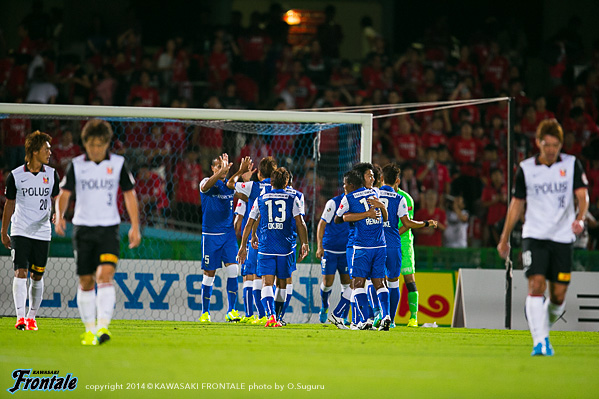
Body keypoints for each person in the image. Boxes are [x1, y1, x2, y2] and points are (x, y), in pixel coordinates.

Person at [497, 119, 589, 356]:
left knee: (558, 296)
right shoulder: (526, 169)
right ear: (538, 143)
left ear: (560, 144)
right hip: (534, 235)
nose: (551, 149)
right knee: (536, 285)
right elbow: (516, 205)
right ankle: (540, 342)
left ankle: (543, 332)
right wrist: (505, 237)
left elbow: (582, 196)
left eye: (555, 145)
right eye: (547, 144)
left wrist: (580, 218)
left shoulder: (571, 165)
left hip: (562, 237)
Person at [54, 119, 141, 345]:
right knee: (85, 281)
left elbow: (129, 194)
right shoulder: (77, 165)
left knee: (105, 275)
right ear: (85, 144)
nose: (95, 149)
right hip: (83, 229)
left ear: (107, 144)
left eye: (100, 145)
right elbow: (64, 194)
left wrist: (135, 226)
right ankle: (89, 330)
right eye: (91, 145)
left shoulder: (119, 164)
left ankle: (103, 328)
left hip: (108, 229)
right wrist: (60, 215)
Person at [237, 167, 309, 328]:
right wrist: (305, 243)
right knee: (283, 283)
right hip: (286, 247)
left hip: (266, 246)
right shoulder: (293, 198)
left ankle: (270, 316)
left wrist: (244, 245)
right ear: (286, 182)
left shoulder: (261, 198)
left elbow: (249, 223)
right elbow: (300, 223)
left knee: (267, 283)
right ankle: (278, 316)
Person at [2, 131, 60, 331]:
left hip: (43, 231)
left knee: (37, 276)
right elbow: (9, 205)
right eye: (46, 149)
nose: (50, 152)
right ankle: (20, 318)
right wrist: (4, 231)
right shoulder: (16, 176)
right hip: (20, 230)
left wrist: (57, 214)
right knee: (21, 271)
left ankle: (31, 317)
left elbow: (57, 198)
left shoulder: (52, 174)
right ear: (34, 151)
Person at [376, 163, 439, 329]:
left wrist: (389, 232)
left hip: (402, 242)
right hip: (387, 240)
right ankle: (383, 316)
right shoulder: (384, 196)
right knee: (381, 279)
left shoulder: (406, 199)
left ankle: (413, 317)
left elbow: (407, 225)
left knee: (409, 279)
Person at [335, 167, 392, 330]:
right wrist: (379, 207)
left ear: (351, 185)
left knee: (358, 283)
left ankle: (365, 319)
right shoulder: (376, 193)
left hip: (362, 247)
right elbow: (385, 218)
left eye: (345, 184)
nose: (344, 187)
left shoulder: (348, 198)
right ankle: (386, 315)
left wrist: (365, 214)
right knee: (380, 283)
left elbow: (340, 218)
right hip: (381, 245)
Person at [198, 154, 252, 323]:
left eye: (225, 165)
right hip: (210, 236)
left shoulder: (229, 185)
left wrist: (242, 175)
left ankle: (232, 311)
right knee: (209, 275)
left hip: (228, 236)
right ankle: (205, 313)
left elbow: (242, 193)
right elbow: (206, 186)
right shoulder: (205, 183)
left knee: (233, 271)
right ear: (213, 168)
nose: (223, 168)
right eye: (219, 166)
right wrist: (225, 172)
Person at [232, 156, 277, 324]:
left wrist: (242, 173)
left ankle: (254, 315)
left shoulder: (253, 186)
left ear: (259, 174)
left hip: (254, 235)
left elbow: (231, 185)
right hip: (273, 236)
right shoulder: (279, 188)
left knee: (249, 275)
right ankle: (266, 314)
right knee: (266, 277)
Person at [316, 188, 350, 324]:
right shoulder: (334, 203)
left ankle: (343, 316)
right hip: (330, 250)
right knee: (327, 283)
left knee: (347, 284)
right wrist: (320, 246)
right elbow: (322, 224)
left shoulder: (356, 203)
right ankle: (325, 305)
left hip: (346, 251)